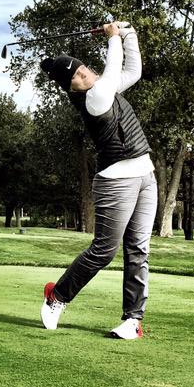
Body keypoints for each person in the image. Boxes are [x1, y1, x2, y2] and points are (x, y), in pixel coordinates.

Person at [39, 21, 157, 339]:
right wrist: (113, 37)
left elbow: (133, 70)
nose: (83, 75)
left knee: (139, 249)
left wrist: (128, 32)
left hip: (146, 176)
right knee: (105, 250)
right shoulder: (93, 99)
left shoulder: (105, 87)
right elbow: (113, 68)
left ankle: (133, 320)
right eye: (75, 77)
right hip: (116, 181)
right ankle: (57, 296)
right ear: (71, 88)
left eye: (82, 70)